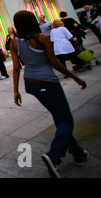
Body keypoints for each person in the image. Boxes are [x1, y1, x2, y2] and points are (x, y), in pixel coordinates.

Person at [11, 10, 88, 178]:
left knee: (59, 117)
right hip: (48, 83)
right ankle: (54, 156)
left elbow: (16, 68)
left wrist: (16, 90)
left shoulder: (14, 42)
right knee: (67, 121)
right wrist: (76, 78)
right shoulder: (43, 38)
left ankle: (78, 153)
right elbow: (54, 62)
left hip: (31, 84)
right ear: (32, 21)